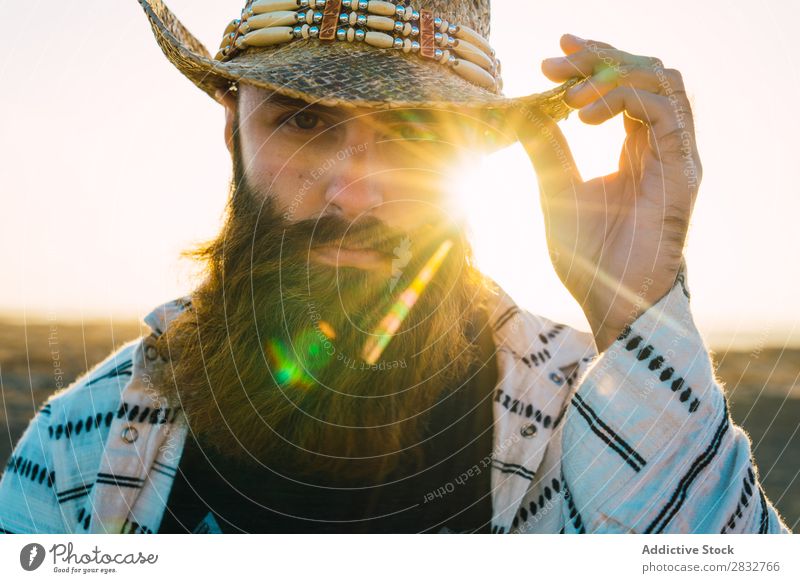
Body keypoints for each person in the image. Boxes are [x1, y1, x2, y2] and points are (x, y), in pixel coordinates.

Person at [0, 0, 790, 534]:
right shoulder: (83, 447)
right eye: (303, 118)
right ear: (232, 132)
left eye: (414, 131)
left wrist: (638, 311)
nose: (355, 190)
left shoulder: (583, 414)